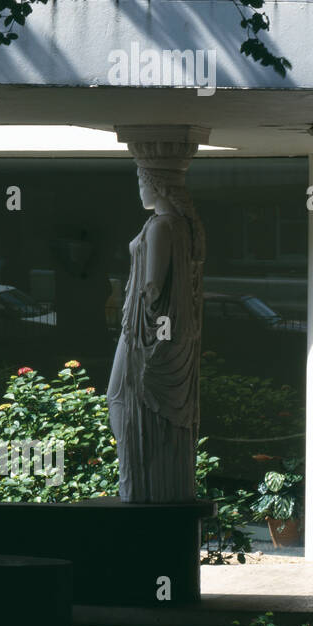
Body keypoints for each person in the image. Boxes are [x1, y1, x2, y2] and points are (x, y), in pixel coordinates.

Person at [108, 165, 205, 502]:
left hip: (142, 330)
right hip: (155, 329)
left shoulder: (162, 226)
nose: (139, 190)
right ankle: (142, 472)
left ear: (158, 187)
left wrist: (140, 320)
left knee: (118, 396)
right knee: (124, 399)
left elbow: (153, 283)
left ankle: (134, 473)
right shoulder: (176, 225)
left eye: (142, 183)